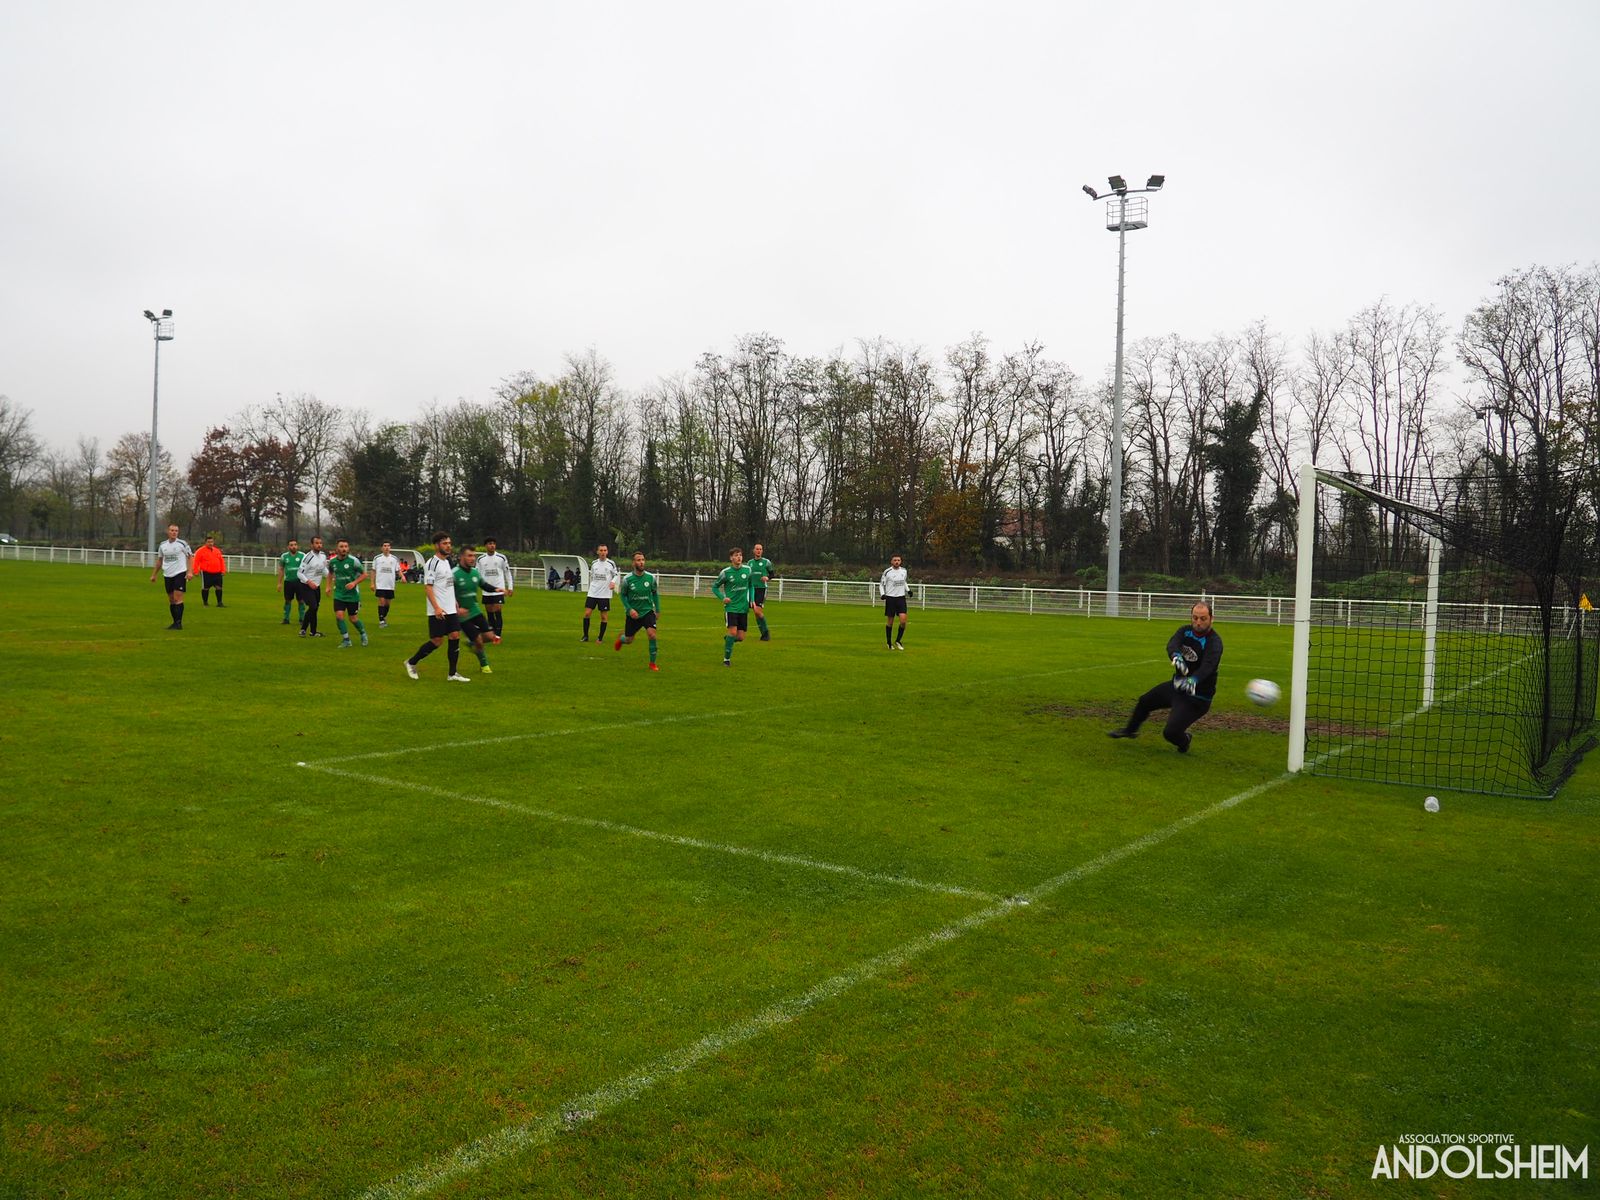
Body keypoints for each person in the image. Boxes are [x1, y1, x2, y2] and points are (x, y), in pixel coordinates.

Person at [1108, 601, 1225, 753]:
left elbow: (1208, 666)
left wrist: (1193, 680)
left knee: (1170, 733)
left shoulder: (1214, 642)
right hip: (1177, 687)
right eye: (1195, 618)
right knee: (1144, 701)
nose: (1198, 622)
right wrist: (1176, 656)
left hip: (1197, 698)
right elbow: (1172, 644)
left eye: (1203, 619)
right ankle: (1130, 730)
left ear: (1211, 619)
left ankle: (1185, 740)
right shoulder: (1184, 631)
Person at [404, 534, 469, 682]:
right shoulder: (432, 564)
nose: (448, 546)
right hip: (438, 610)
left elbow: (447, 584)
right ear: (436, 545)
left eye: (449, 543)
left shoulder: (447, 562)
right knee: (437, 641)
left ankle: (452, 674)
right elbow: (428, 587)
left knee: (455, 636)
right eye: (444, 543)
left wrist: (455, 601)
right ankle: (411, 662)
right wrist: (437, 608)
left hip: (450, 608)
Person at [453, 545, 500, 674]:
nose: (473, 558)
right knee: (478, 640)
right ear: (461, 557)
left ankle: (472, 642)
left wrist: (496, 589)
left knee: (491, 636)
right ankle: (484, 665)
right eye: (469, 556)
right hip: (462, 615)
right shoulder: (454, 574)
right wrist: (456, 608)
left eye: (474, 556)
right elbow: (446, 593)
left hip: (475, 610)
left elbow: (483, 585)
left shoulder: (475, 572)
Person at [614, 550, 661, 671]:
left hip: (647, 611)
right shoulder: (627, 579)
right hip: (633, 614)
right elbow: (623, 595)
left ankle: (652, 663)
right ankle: (621, 639)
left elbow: (655, 593)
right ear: (633, 563)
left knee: (652, 635)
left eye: (643, 560)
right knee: (629, 640)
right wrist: (629, 609)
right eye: (638, 560)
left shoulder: (651, 578)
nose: (641, 562)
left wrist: (658, 609)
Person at [712, 546, 754, 666]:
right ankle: (726, 660)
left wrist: (752, 600)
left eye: (740, 555)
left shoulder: (748, 570)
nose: (739, 557)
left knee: (740, 637)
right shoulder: (725, 573)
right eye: (736, 555)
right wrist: (723, 598)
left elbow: (751, 585)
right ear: (731, 558)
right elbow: (715, 587)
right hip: (731, 607)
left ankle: (729, 639)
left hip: (743, 608)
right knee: (733, 632)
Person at [328, 539, 370, 648]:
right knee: (339, 616)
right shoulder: (332, 562)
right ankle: (346, 640)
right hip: (339, 594)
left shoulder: (353, 561)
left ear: (348, 548)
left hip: (352, 595)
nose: (344, 549)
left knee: (353, 618)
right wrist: (328, 586)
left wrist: (354, 583)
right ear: (337, 549)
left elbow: (364, 574)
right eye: (341, 546)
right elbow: (330, 573)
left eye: (346, 546)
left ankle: (363, 634)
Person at [149, 523, 192, 630]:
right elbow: (160, 560)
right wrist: (154, 574)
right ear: (168, 531)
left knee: (178, 598)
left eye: (176, 531)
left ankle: (178, 623)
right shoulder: (163, 545)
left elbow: (190, 557)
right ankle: (174, 622)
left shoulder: (182, 543)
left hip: (180, 573)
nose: (174, 532)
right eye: (172, 530)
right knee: (171, 599)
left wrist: (190, 572)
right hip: (167, 574)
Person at [477, 537, 513, 639]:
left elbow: (507, 572)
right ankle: (491, 634)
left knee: (497, 611)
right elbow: (477, 574)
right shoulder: (480, 559)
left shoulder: (501, 557)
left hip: (499, 589)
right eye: (490, 543)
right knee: (490, 614)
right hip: (486, 591)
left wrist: (510, 587)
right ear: (485, 546)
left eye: (493, 543)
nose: (492, 545)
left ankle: (497, 636)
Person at [581, 544, 619, 642]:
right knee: (587, 614)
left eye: (605, 550)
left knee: (603, 617)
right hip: (593, 593)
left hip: (604, 594)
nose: (603, 552)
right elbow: (592, 576)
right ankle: (585, 636)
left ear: (607, 552)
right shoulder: (594, 563)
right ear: (597, 552)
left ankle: (600, 638)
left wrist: (612, 582)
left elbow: (616, 575)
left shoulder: (611, 563)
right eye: (601, 550)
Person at [296, 535, 330, 638]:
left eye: (320, 543)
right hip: (306, 586)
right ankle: (303, 629)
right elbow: (299, 573)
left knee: (315, 609)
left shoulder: (323, 556)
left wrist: (331, 577)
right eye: (317, 543)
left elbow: (323, 569)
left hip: (316, 587)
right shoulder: (308, 557)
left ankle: (313, 632)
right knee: (313, 607)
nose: (319, 545)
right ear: (312, 545)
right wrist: (308, 581)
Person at [370, 541, 403, 628]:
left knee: (387, 604)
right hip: (380, 584)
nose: (386, 547)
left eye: (388, 546)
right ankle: (381, 620)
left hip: (390, 585)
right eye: (385, 546)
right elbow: (373, 571)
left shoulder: (394, 559)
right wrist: (372, 583)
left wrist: (402, 577)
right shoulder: (377, 558)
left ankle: (383, 617)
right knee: (382, 601)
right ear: (382, 548)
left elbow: (398, 570)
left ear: (390, 548)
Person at [881, 554, 909, 649]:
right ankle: (889, 643)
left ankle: (898, 641)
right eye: (895, 560)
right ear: (891, 561)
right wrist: (882, 594)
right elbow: (881, 584)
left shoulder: (904, 571)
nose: (897, 562)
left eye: (898, 560)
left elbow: (904, 582)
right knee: (890, 622)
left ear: (901, 561)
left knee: (903, 621)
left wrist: (908, 590)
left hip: (901, 598)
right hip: (890, 598)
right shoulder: (887, 572)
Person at [748, 542, 774, 641]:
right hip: (751, 589)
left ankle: (766, 632)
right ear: (754, 551)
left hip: (762, 589)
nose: (759, 551)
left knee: (757, 611)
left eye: (760, 549)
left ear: (762, 551)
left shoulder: (766, 562)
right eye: (757, 549)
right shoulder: (750, 563)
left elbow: (772, 574)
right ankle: (764, 634)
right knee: (755, 612)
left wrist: (767, 578)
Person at [276, 538, 307, 625]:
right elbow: (281, 569)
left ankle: (302, 619)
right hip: (288, 582)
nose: (294, 547)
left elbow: (307, 568)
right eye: (291, 545)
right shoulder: (284, 556)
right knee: (287, 600)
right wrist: (279, 583)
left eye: (295, 545)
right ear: (288, 547)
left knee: (301, 600)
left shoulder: (302, 556)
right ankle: (286, 619)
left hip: (300, 582)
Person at [191, 535, 227, 607]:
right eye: (209, 542)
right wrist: (195, 571)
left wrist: (223, 570)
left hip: (217, 572)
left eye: (212, 542)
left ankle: (219, 603)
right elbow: (196, 561)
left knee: (219, 587)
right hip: (206, 573)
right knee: (206, 588)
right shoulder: (200, 551)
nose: (210, 543)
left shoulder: (217, 550)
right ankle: (205, 603)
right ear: (205, 543)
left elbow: (221, 561)